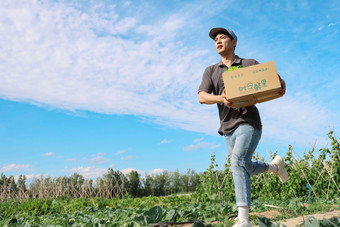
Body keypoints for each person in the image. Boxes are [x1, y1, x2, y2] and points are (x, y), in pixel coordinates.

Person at [198, 27, 288, 227]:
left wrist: (280, 83)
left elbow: (273, 81)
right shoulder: (211, 71)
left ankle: (244, 219)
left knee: (237, 160)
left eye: (223, 37)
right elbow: (201, 96)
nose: (218, 41)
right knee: (243, 165)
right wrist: (220, 98)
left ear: (234, 42)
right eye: (215, 39)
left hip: (249, 121)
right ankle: (273, 167)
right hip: (227, 127)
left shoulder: (249, 64)